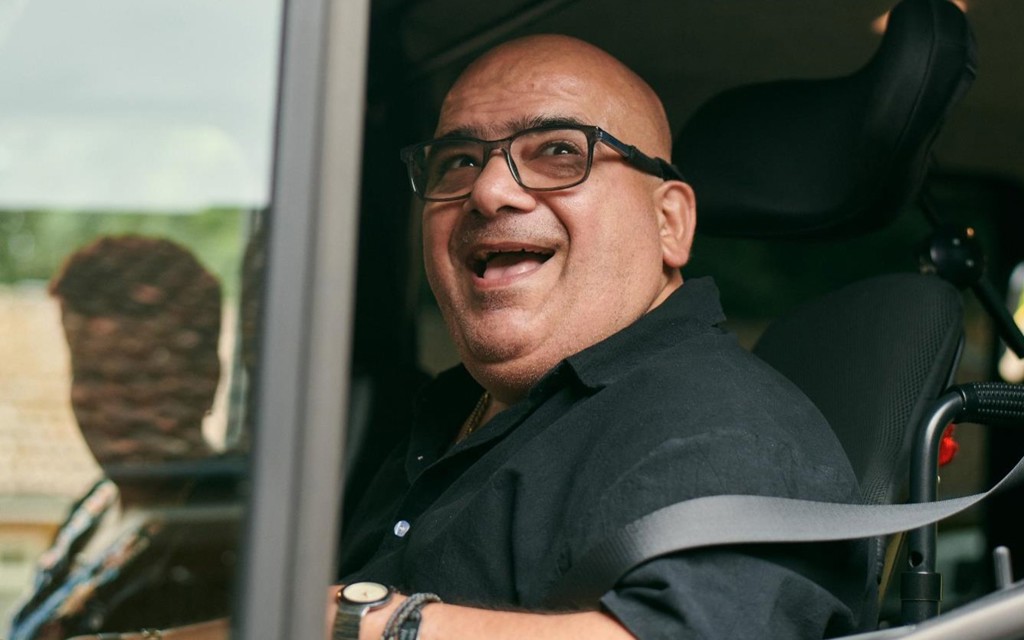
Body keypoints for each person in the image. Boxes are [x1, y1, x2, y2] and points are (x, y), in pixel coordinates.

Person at [84, 33, 873, 640]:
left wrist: (374, 623)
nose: (490, 190)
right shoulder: (465, 410)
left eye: (559, 151)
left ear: (670, 221)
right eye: (458, 160)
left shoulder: (718, 426)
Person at [10, 235, 238, 640]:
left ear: (205, 379)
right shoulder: (98, 502)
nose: (113, 407)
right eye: (92, 375)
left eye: (139, 378)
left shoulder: (217, 535)